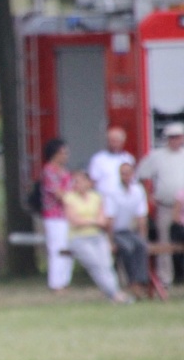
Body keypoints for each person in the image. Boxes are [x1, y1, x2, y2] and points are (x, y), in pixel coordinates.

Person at [63, 171, 131, 303]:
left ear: (88, 183)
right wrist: (93, 221)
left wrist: (89, 221)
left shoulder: (96, 197)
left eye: (80, 181)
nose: (77, 184)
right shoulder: (69, 198)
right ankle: (115, 294)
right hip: (79, 238)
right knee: (96, 265)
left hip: (98, 236)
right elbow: (75, 221)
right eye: (75, 182)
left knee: (106, 265)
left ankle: (114, 293)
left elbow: (103, 220)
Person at [137, 122, 184, 286]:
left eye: (177, 137)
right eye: (171, 137)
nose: (175, 140)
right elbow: (142, 175)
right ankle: (165, 278)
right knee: (164, 242)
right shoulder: (156, 156)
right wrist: (149, 195)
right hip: (165, 205)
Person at [105, 162, 150, 299]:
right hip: (116, 232)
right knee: (127, 247)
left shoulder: (138, 190)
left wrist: (143, 237)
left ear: (133, 174)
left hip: (129, 230)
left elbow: (141, 217)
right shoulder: (113, 192)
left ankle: (141, 281)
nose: (125, 176)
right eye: (122, 173)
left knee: (141, 246)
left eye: (128, 173)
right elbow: (110, 220)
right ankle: (132, 282)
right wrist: (110, 241)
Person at [40, 138, 73, 293]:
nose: (66, 155)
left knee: (68, 248)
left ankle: (65, 280)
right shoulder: (49, 171)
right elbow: (59, 193)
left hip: (67, 215)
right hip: (54, 216)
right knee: (57, 248)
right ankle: (55, 283)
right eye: (63, 152)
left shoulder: (65, 172)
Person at [88, 126, 135, 197]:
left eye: (116, 141)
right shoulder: (98, 159)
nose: (114, 144)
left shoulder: (128, 158)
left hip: (124, 199)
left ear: (122, 141)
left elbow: (132, 180)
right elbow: (92, 181)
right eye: (111, 141)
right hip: (104, 200)